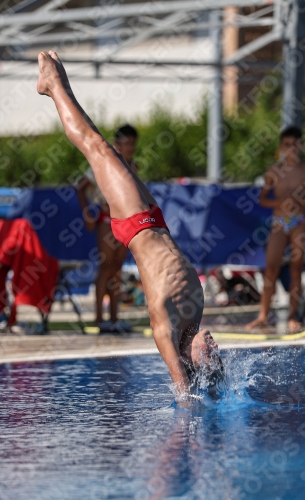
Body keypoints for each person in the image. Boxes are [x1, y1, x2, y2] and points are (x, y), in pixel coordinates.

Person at [36, 50, 223, 403]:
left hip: (136, 225)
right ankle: (56, 86)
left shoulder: (166, 328)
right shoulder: (195, 313)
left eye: (209, 355)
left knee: (97, 148)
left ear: (192, 360)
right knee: (108, 152)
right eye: (216, 350)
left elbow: (183, 391)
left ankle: (53, 86)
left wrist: (193, 412)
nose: (213, 345)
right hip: (154, 220)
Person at [246, 127, 305, 333]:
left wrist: (302, 199)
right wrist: (282, 201)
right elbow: (262, 199)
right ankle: (263, 315)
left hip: (299, 220)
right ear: (281, 147)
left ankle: (292, 315)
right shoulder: (274, 170)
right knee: (271, 268)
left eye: (295, 144)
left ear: (302, 146)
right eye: (287, 145)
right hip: (280, 221)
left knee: (296, 268)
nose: (291, 149)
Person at [76, 124, 138, 331]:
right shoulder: (105, 162)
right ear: (117, 143)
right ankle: (99, 319)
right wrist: (87, 214)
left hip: (126, 220)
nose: (130, 147)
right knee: (106, 267)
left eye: (132, 143)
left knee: (117, 268)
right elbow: (80, 186)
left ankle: (114, 318)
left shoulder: (133, 166)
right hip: (106, 219)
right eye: (126, 143)